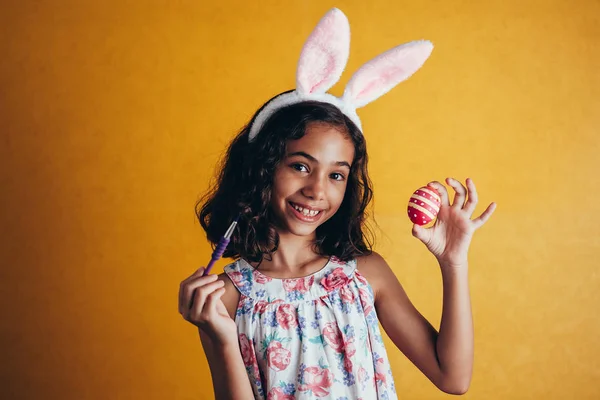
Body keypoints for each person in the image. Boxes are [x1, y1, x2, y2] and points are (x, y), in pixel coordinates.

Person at [178, 8, 496, 400]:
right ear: (262, 166)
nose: (317, 190)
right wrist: (222, 336)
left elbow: (454, 378)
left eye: (336, 174)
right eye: (300, 165)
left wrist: (453, 262)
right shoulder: (223, 297)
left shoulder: (365, 275)